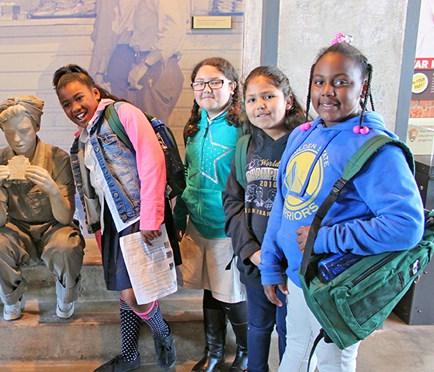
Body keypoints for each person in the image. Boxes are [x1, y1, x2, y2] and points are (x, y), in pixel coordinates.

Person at [260, 37, 424, 372]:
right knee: (296, 351)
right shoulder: (302, 134)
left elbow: (406, 225)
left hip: (336, 282)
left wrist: (324, 238)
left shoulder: (377, 149)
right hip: (299, 275)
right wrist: (271, 263)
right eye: (319, 82)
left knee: (334, 361)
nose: (327, 91)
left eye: (341, 82)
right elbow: (284, 202)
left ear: (362, 88)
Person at [53, 64, 177, 372]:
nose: (74, 107)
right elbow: (92, 190)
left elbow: (151, 161)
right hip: (112, 223)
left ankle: (163, 334)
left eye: (79, 98)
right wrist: (95, 228)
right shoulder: (81, 139)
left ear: (95, 93)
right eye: (66, 103)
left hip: (138, 216)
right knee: (127, 288)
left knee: (133, 292)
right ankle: (130, 355)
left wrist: (152, 216)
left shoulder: (123, 114)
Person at [223, 66, 307, 372]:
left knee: (290, 332)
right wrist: (250, 251)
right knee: (257, 327)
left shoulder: (305, 143)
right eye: (252, 99)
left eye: (269, 96)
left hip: (292, 264)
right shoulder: (245, 146)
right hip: (255, 260)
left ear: (287, 100)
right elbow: (231, 202)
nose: (260, 105)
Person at [172, 57, 248, 372]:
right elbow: (189, 175)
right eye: (200, 83)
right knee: (210, 290)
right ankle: (214, 352)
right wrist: (178, 218)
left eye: (215, 82)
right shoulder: (194, 126)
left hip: (228, 227)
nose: (207, 89)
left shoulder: (243, 126)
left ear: (232, 86)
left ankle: (246, 352)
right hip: (198, 225)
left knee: (230, 293)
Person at [0, 95, 85, 321]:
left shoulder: (58, 158)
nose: (17, 139)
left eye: (24, 130)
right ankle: (11, 297)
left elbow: (66, 217)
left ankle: (66, 296)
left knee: (67, 245)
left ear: (36, 126)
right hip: (16, 228)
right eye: (9, 132)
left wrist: (52, 190)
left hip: (54, 226)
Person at [88, 0, 187, 124]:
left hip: (156, 67)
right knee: (146, 130)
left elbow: (173, 31)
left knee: (152, 132)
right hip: (149, 64)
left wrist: (145, 65)